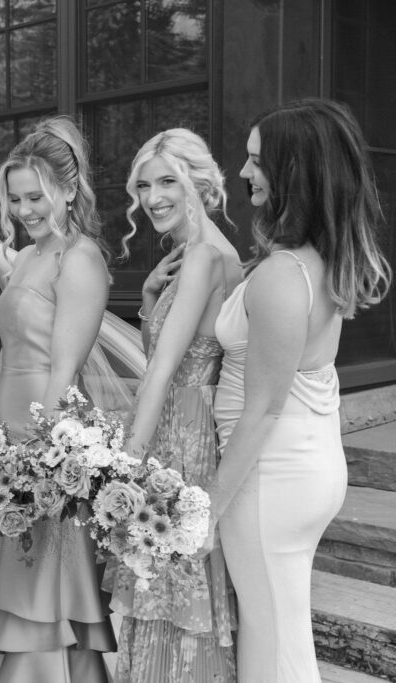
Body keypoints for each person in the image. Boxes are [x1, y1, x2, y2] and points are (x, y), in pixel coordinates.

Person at [209, 98, 391, 682]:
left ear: (294, 172)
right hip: (302, 467)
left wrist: (204, 508)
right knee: (275, 634)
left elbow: (261, 410)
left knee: (275, 641)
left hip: (272, 479)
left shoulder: (283, 278)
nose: (243, 173)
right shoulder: (310, 261)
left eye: (257, 161)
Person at [0, 116, 118, 682]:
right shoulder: (30, 255)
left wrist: (41, 462)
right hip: (8, 426)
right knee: (21, 571)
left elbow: (65, 367)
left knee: (46, 575)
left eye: (36, 196)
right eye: (15, 199)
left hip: (46, 441)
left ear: (69, 188)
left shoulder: (78, 258)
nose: (25, 209)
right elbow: (8, 352)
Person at [105, 129, 242, 682]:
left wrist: (126, 461)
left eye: (167, 181)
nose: (153, 197)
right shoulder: (195, 255)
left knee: (173, 588)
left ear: (199, 182)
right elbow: (159, 354)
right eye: (145, 185)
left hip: (183, 435)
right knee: (161, 586)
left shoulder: (208, 256)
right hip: (177, 422)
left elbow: (162, 371)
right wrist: (146, 300)